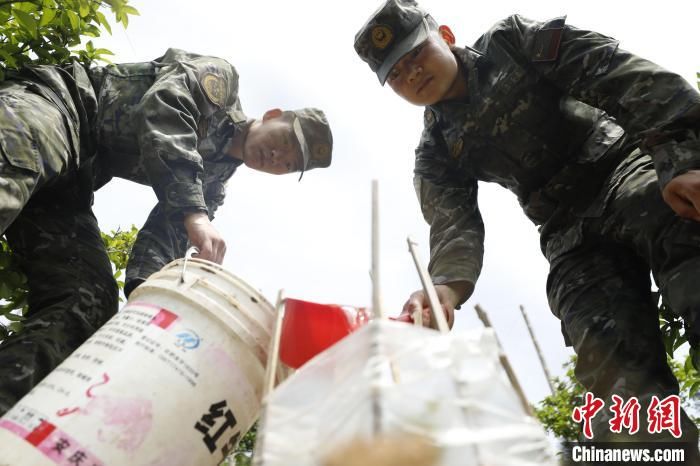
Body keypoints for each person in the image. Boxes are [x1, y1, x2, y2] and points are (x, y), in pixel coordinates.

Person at [354, 0, 700, 451]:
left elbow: (618, 74)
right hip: (569, 235)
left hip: (622, 168)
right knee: (611, 380)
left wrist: (681, 157)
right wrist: (445, 290)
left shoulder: (513, 43)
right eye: (396, 74)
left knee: (677, 233)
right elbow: (452, 225)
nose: (412, 74)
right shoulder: (436, 152)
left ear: (445, 35)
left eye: (415, 54)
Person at [0, 48, 333, 415]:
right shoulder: (220, 83)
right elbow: (163, 109)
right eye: (286, 143)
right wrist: (194, 213)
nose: (278, 158)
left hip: (72, 180)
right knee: (10, 178)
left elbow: (161, 245)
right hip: (56, 107)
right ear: (272, 115)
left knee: (87, 302)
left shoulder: (212, 185)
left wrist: (150, 309)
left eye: (289, 165)